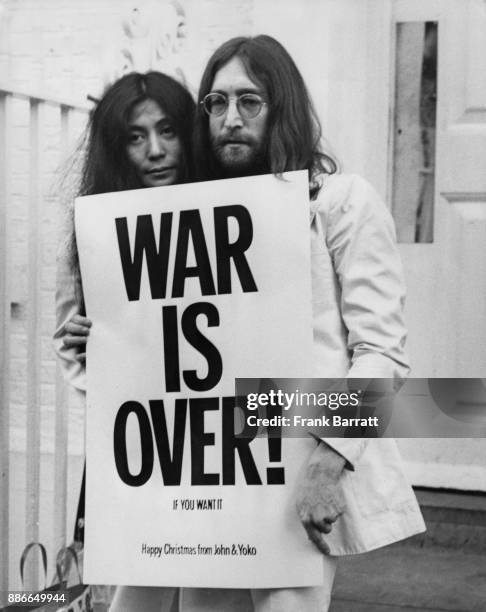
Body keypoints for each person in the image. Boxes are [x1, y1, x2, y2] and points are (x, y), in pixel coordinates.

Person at [187, 34, 426, 611]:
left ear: (282, 106)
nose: (230, 118)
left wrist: (327, 462)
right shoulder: (191, 218)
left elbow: (380, 354)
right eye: (216, 103)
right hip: (205, 472)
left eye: (250, 100)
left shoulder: (344, 201)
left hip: (295, 462)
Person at [53, 70, 195, 612]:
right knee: (136, 591)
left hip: (223, 439)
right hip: (139, 444)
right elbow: (69, 345)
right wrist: (87, 346)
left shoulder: (233, 210)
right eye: (136, 137)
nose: (156, 151)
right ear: (117, 148)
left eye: (168, 131)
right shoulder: (91, 231)